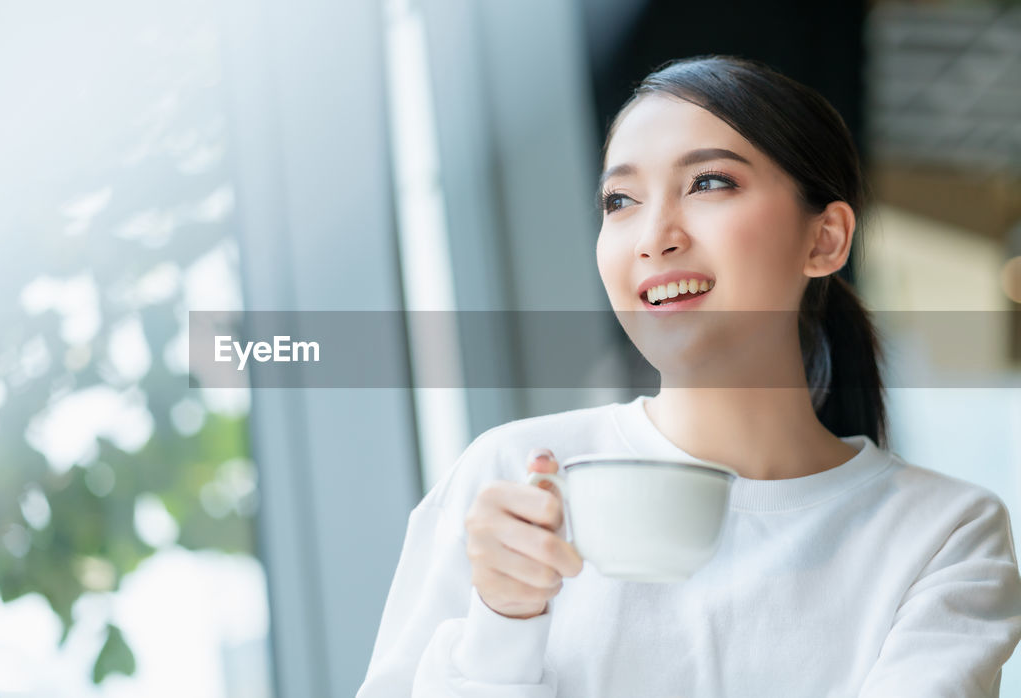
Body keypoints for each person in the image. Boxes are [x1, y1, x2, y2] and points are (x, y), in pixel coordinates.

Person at [356, 55, 1021, 697]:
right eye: (620, 200)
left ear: (824, 240)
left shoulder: (945, 532)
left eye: (708, 183)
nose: (653, 236)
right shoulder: (511, 482)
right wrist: (502, 623)